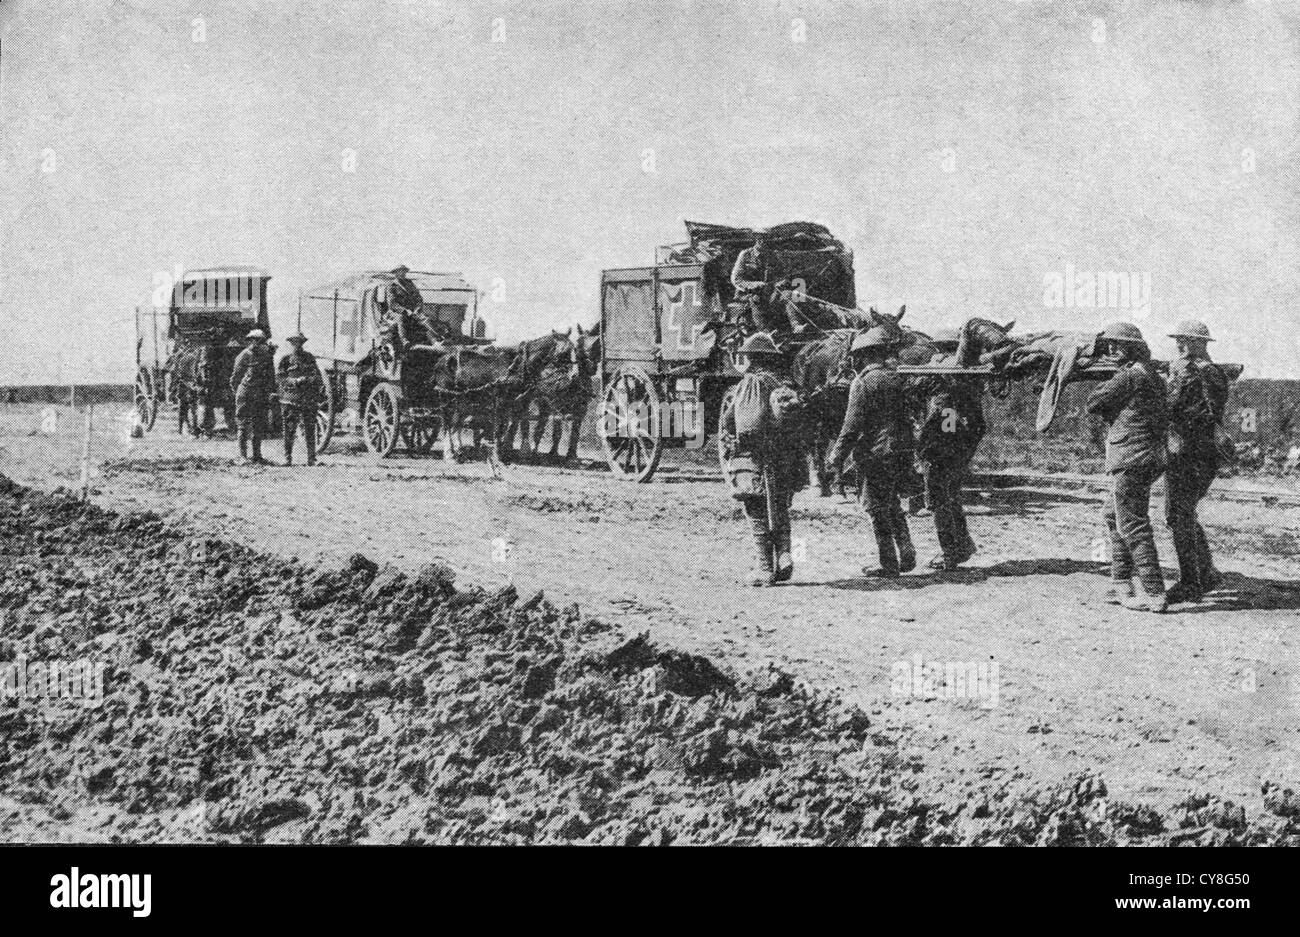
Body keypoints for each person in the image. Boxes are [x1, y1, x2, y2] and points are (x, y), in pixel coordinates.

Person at [1085, 322, 1169, 613]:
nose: (1111, 349)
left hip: (1130, 458)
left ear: (1133, 348)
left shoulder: (1129, 376)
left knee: (1132, 523)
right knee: (1113, 514)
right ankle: (1121, 582)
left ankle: (1154, 592)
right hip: (1146, 456)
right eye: (1109, 344)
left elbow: (1093, 403)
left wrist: (1109, 383)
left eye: (1117, 344)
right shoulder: (1153, 375)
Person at [827, 326, 917, 577]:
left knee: (874, 506)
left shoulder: (863, 382)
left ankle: (888, 563)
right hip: (903, 449)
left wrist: (837, 455)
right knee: (892, 501)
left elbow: (851, 425)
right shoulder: (899, 377)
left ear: (863, 355)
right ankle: (906, 548)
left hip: (877, 453)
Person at [721, 332, 808, 585]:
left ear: (752, 359)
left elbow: (730, 420)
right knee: (779, 507)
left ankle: (764, 569)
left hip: (753, 457)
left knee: (755, 509)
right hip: (782, 459)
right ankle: (784, 556)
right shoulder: (782, 384)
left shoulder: (747, 384)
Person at [1163, 320, 1229, 603]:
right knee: (1184, 512)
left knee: (1177, 514)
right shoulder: (1213, 372)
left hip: (1190, 453)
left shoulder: (1192, 372)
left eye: (1184, 340)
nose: (1179, 345)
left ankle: (1191, 582)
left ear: (1198, 343)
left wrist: (1169, 380)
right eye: (1179, 339)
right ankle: (1207, 572)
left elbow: (1173, 407)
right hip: (1203, 453)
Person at [915, 330, 985, 570]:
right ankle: (963, 545)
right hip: (961, 446)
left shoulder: (946, 388)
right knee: (951, 496)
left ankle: (950, 552)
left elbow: (945, 423)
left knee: (939, 500)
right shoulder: (969, 380)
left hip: (942, 450)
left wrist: (928, 449)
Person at [730, 235, 802, 334]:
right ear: (757, 240)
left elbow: (782, 275)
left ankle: (796, 325)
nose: (764, 242)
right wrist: (754, 285)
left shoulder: (771, 255)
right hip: (747, 294)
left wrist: (781, 282)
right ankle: (766, 333)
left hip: (770, 293)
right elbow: (736, 279)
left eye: (767, 240)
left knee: (789, 294)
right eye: (762, 239)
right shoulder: (745, 255)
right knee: (756, 298)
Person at [277, 332, 326, 466]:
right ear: (291, 344)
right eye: (294, 343)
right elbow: (281, 378)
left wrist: (308, 380)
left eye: (299, 343)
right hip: (290, 399)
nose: (297, 345)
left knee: (310, 429)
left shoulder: (309, 358)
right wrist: (295, 381)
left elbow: (317, 376)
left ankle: (311, 458)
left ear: (302, 344)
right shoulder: (285, 359)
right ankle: (287, 458)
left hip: (308, 399)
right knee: (289, 429)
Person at [230, 329, 275, 464]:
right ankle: (243, 456)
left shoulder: (266, 356)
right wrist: (239, 392)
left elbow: (270, 376)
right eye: (255, 340)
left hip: (260, 394)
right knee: (243, 425)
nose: (258, 343)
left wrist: (269, 392)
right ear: (250, 341)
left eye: (260, 341)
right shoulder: (244, 355)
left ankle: (257, 455)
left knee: (258, 425)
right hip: (245, 393)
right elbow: (235, 378)